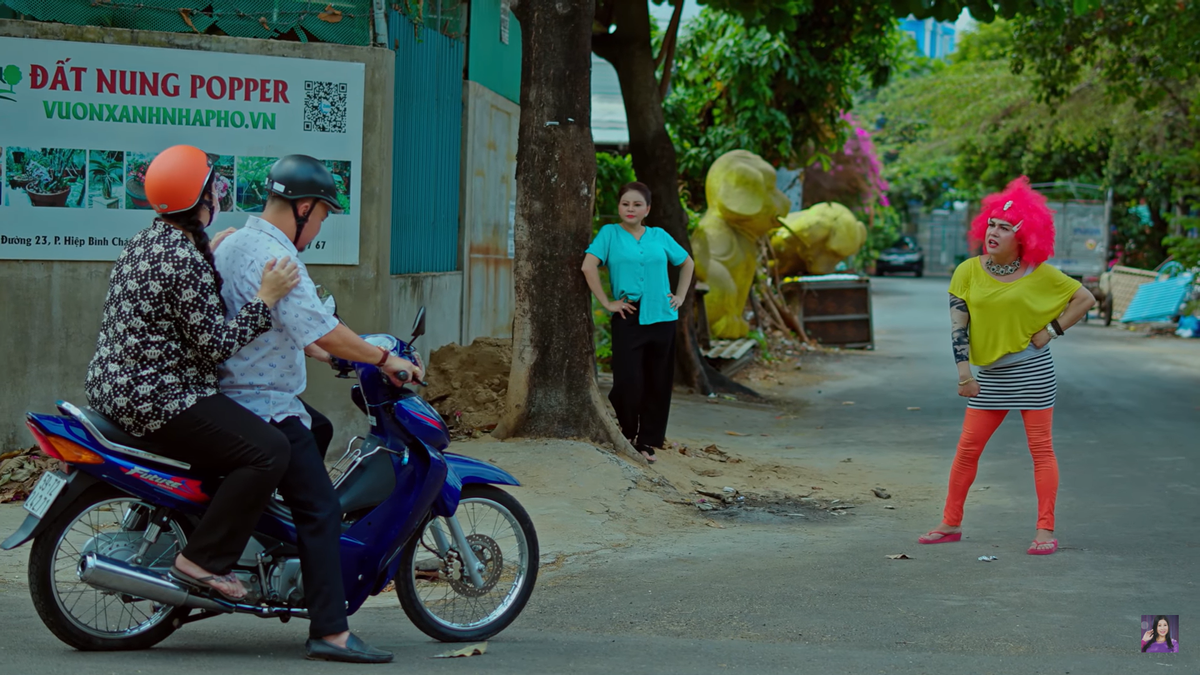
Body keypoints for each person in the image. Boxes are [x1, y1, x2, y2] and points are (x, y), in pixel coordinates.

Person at [214, 154, 421, 664]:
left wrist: (324, 352)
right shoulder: (277, 259)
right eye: (324, 214)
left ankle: (269, 537)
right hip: (263, 402)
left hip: (243, 390)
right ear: (304, 207)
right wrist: (384, 358)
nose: (322, 225)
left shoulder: (238, 240)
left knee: (322, 427)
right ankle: (330, 631)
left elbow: (284, 322)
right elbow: (321, 325)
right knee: (322, 509)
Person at [84, 145, 300, 600]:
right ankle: (201, 561)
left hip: (116, 388)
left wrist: (209, 248)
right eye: (214, 188)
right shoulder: (182, 259)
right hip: (161, 397)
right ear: (201, 200)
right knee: (269, 451)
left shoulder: (149, 241)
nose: (218, 195)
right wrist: (266, 297)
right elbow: (214, 347)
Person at [918, 176, 1095, 555]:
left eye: (1005, 227)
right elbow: (958, 325)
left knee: (1041, 450)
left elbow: (1085, 298)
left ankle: (1045, 530)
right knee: (967, 449)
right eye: (991, 224)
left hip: (1032, 370)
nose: (993, 232)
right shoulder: (967, 271)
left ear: (1024, 236)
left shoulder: (1042, 274)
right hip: (990, 376)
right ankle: (950, 523)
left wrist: (1052, 330)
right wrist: (964, 373)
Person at [582, 182, 695, 463]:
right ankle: (628, 431)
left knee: (658, 381)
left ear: (647, 209)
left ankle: (647, 442)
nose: (630, 209)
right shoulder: (609, 234)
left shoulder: (659, 236)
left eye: (636, 205)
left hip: (662, 316)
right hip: (628, 315)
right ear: (618, 207)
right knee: (628, 381)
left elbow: (687, 263)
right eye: (625, 204)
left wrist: (679, 296)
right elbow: (588, 265)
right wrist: (607, 302)